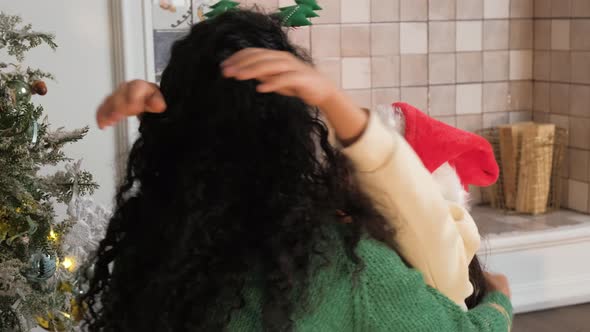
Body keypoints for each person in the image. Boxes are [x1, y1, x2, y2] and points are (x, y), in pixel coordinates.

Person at [86, 9, 512, 331]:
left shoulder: (155, 252)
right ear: (295, 131)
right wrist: (498, 303)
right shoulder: (343, 271)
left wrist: (164, 130)